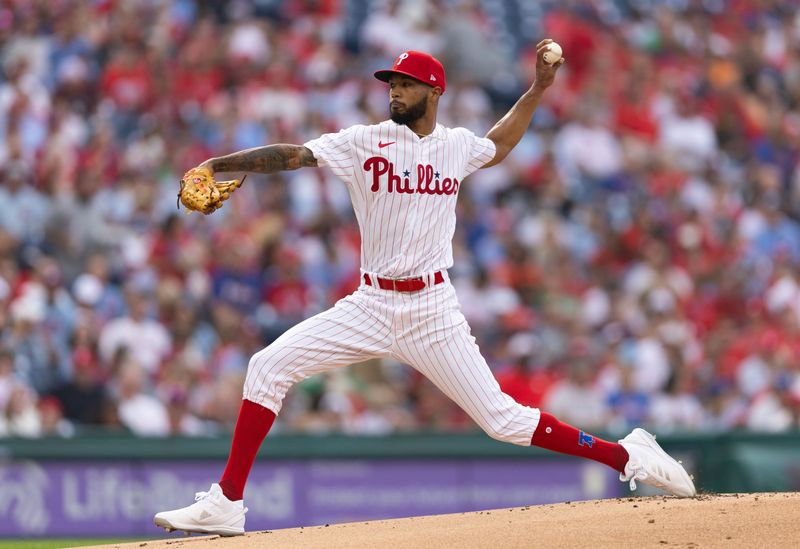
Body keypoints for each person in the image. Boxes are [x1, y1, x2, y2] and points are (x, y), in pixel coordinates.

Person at [154, 42, 695, 537]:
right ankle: (228, 500)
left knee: (504, 421)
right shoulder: (363, 141)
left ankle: (627, 455)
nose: (395, 90)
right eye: (391, 83)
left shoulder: (456, 147)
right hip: (370, 303)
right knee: (266, 367)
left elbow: (499, 144)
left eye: (406, 84)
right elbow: (294, 154)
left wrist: (537, 91)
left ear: (434, 91)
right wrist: (220, 162)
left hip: (432, 309)